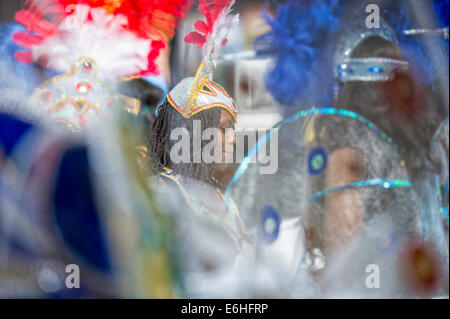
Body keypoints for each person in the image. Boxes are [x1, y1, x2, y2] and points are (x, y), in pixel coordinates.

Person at [147, 0, 254, 260]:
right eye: (223, 129)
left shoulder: (222, 196)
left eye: (233, 129)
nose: (233, 139)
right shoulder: (164, 195)